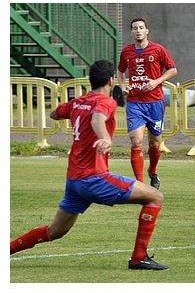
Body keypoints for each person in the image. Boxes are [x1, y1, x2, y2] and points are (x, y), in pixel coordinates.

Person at [10, 60, 169, 270]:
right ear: (111, 80)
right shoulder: (106, 101)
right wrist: (105, 138)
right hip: (94, 178)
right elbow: (97, 119)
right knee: (155, 197)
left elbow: (55, 113)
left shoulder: (79, 102)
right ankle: (138, 258)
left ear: (90, 80)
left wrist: (77, 110)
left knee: (54, 231)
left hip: (74, 181)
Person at [117, 17, 177, 190]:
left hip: (155, 103)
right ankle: (140, 184)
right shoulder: (126, 52)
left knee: (154, 143)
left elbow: (173, 70)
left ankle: (153, 170)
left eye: (141, 27)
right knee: (136, 142)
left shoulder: (158, 49)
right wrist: (123, 86)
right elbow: (120, 71)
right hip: (135, 103)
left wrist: (156, 81)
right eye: (135, 28)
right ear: (131, 32)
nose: (138, 30)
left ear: (146, 31)